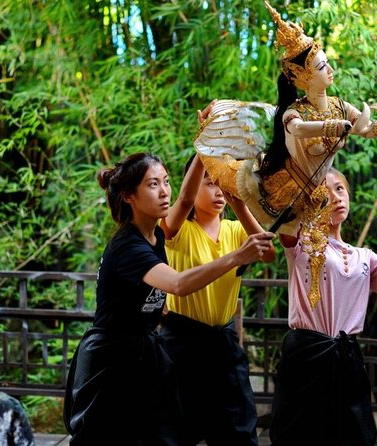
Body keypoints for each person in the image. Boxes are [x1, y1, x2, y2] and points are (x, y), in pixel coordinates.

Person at [194, 0, 377, 302]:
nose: (329, 69)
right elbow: (298, 130)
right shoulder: (295, 111)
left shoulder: (340, 106)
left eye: (327, 63)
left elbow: (367, 128)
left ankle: (320, 303)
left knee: (317, 251)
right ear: (301, 77)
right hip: (279, 186)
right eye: (320, 66)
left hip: (312, 193)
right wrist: (333, 127)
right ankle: (208, 128)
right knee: (223, 172)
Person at [63, 152, 274, 446]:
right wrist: (237, 256)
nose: (164, 191)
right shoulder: (128, 246)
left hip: (144, 353)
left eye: (166, 181)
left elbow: (186, 199)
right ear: (128, 196)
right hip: (111, 359)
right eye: (152, 184)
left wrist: (206, 144)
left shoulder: (154, 237)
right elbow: (178, 284)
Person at [268, 167, 377, 446]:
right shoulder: (300, 242)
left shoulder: (363, 257)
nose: (337, 197)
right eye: (326, 190)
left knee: (352, 436)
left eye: (340, 189)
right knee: (300, 435)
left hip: (346, 356)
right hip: (307, 354)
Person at [158, 102, 275, 446]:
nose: (216, 190)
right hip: (181, 345)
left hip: (223, 345)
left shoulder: (237, 231)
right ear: (194, 188)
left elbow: (267, 252)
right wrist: (206, 145)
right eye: (209, 183)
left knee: (238, 433)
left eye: (220, 183)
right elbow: (181, 198)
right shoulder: (176, 228)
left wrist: (237, 196)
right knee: (176, 433)